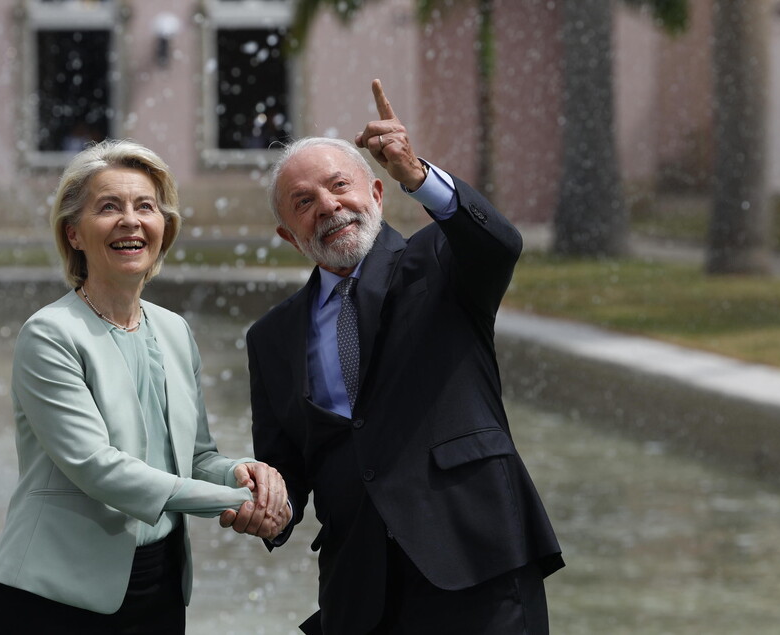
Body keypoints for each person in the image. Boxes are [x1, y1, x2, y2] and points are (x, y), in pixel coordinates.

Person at [222, 80, 565, 634]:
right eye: (304, 202)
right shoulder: (271, 337)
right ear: (289, 236)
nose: (328, 206)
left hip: (476, 560)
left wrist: (418, 175)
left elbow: (500, 243)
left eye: (340, 185)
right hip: (359, 589)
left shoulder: (440, 261)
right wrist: (268, 507)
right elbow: (287, 465)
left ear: (378, 194)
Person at [0, 139, 289, 634]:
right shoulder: (49, 334)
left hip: (160, 587)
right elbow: (98, 468)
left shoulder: (174, 330)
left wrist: (245, 476)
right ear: (73, 233)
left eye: (145, 207)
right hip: (55, 594)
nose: (130, 221)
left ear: (163, 228)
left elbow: (196, 457)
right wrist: (234, 502)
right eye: (109, 207)